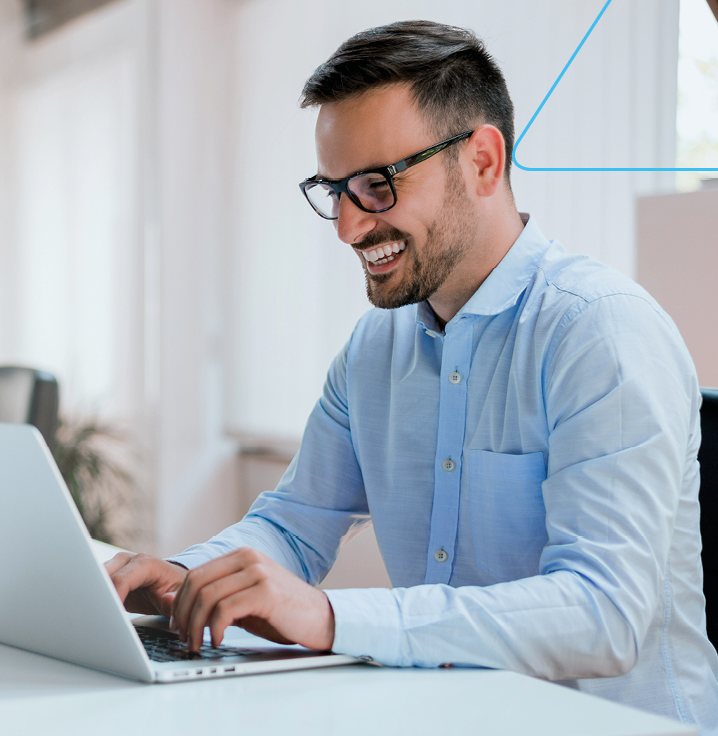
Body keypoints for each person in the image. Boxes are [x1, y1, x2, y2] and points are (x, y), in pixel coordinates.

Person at [105, 20, 718, 731]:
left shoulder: (601, 333)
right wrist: (189, 579)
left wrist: (329, 615)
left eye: (377, 185)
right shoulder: (377, 347)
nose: (347, 227)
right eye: (333, 189)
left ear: (483, 162)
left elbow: (604, 615)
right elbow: (296, 524)